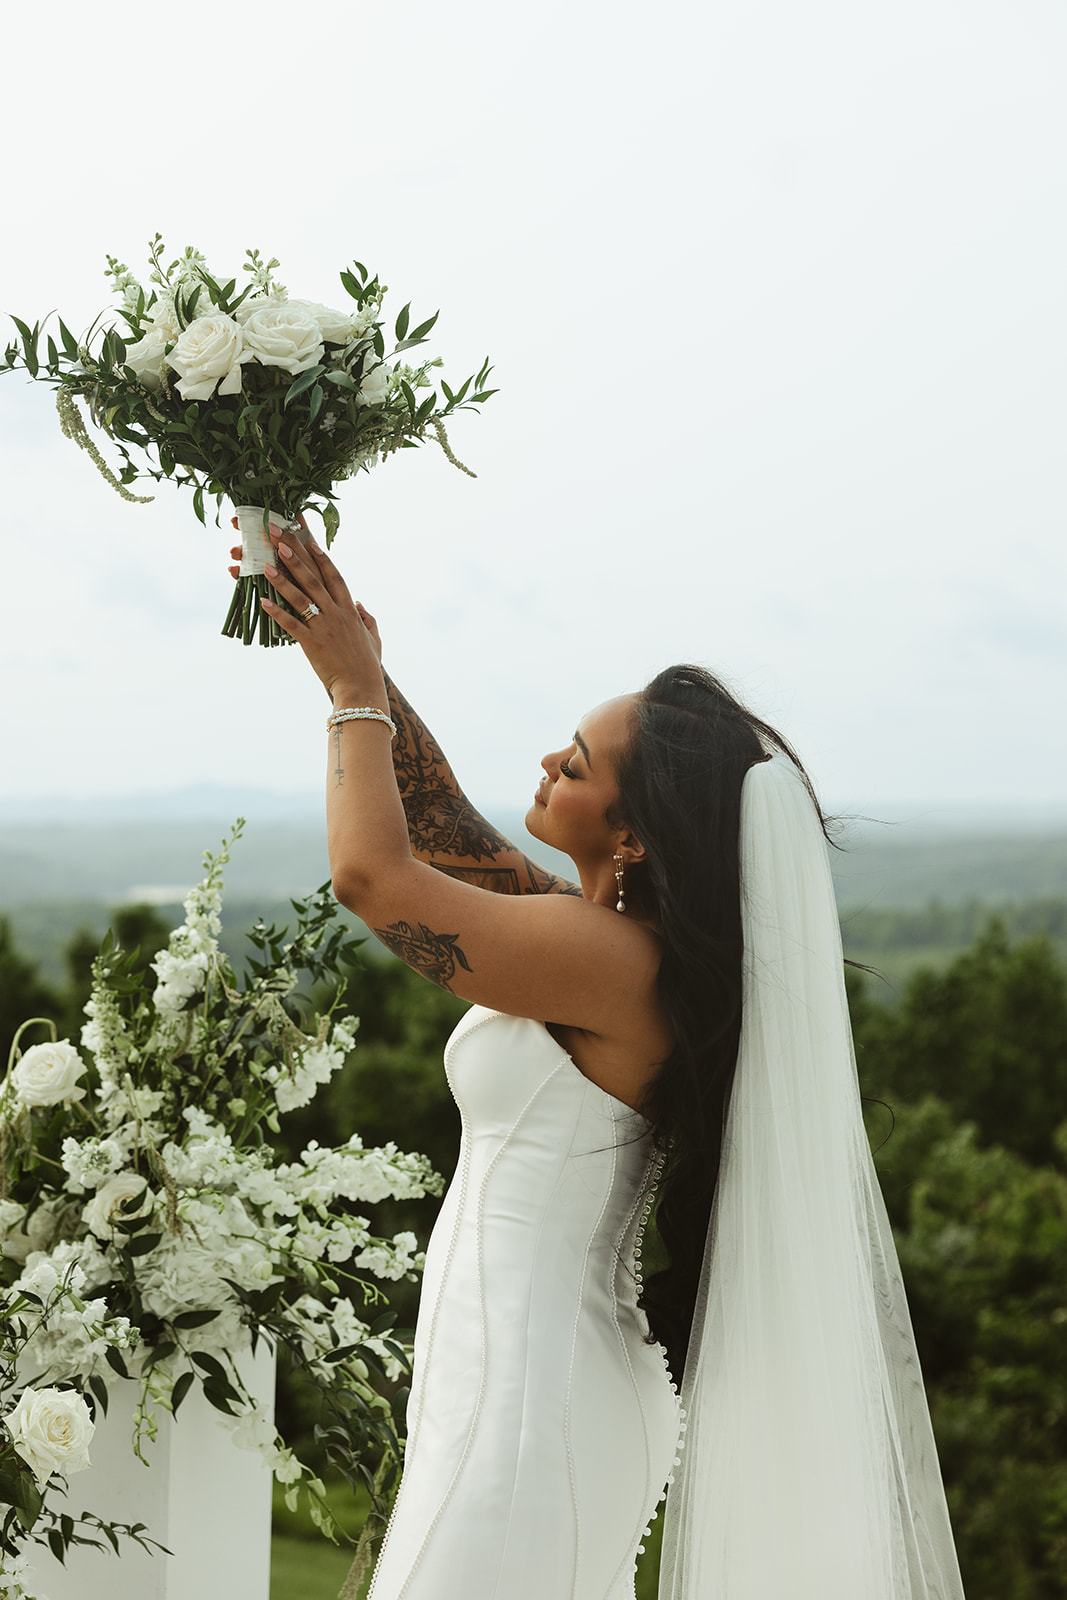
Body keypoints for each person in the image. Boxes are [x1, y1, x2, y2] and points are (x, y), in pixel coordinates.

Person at [233, 525, 966, 1600]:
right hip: (519, 1380)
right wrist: (337, 638)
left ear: (631, 835)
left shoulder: (612, 964)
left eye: (573, 763)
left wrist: (352, 685)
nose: (544, 762)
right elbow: (434, 818)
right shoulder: (597, 941)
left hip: (531, 1401)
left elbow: (371, 876)